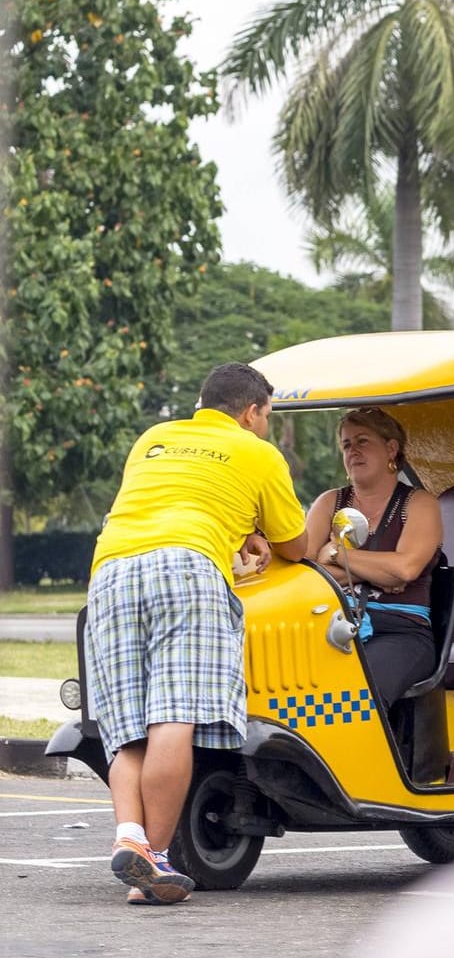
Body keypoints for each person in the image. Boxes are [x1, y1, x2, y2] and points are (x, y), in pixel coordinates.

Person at [86, 363, 308, 906]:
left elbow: (172, 506)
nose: (263, 426)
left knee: (128, 728)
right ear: (252, 411)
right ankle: (157, 860)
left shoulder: (154, 439)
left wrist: (239, 530)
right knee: (173, 718)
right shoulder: (258, 452)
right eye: (265, 416)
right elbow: (296, 546)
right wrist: (257, 535)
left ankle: (131, 838)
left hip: (110, 571)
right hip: (187, 572)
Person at [302, 407, 444, 705]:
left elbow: (404, 570)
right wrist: (379, 570)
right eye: (346, 444)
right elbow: (305, 572)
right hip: (331, 624)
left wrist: (337, 555)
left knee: (358, 695)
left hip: (400, 630)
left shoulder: (419, 503)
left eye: (362, 441)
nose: (353, 451)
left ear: (391, 448)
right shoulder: (329, 502)